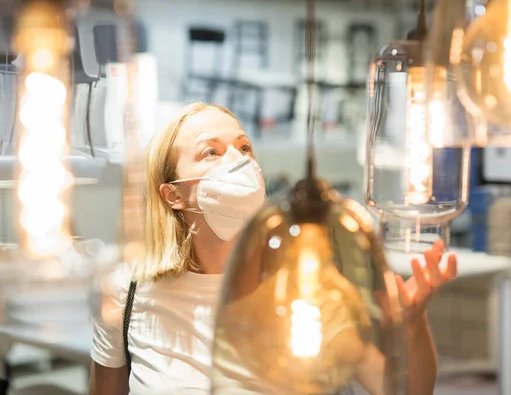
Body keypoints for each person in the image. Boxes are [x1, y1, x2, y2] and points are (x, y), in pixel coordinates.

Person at [88, 102, 458, 395]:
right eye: (212, 153)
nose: (240, 162)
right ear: (173, 194)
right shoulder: (125, 291)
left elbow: (408, 389)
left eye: (244, 147)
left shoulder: (306, 283)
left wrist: (410, 324)